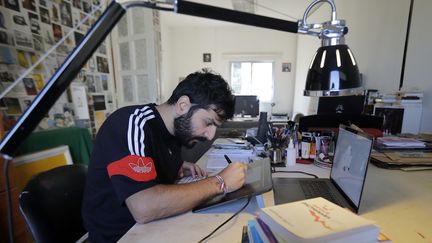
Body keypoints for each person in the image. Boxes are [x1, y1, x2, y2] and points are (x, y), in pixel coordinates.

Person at [82, 69, 248, 242]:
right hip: (120, 236)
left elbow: (148, 165)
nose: (210, 135)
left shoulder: (174, 132)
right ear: (183, 105)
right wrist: (220, 182)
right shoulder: (132, 123)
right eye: (208, 122)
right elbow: (143, 207)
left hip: (152, 228)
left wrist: (176, 166)